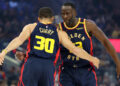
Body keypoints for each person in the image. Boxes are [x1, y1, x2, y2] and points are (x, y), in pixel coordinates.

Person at [0, 7, 100, 86]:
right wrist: (91, 58)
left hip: (32, 64)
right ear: (52, 19)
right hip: (48, 67)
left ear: (38, 18)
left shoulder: (32, 27)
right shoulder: (60, 33)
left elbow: (18, 40)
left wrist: (4, 52)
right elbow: (75, 49)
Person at [58, 2, 120, 86]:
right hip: (67, 71)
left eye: (67, 13)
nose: (65, 16)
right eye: (63, 14)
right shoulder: (59, 28)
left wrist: (118, 63)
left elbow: (106, 42)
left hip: (86, 70)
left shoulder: (87, 25)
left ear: (75, 13)